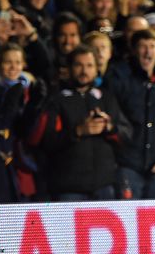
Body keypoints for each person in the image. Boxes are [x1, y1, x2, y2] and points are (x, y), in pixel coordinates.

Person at [36, 45, 131, 200]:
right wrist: (78, 131)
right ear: (69, 68)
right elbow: (47, 142)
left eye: (89, 65)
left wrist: (110, 128)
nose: (84, 71)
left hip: (104, 186)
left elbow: (126, 135)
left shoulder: (107, 98)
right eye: (78, 65)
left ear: (96, 69)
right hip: (68, 188)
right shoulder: (56, 100)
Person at [106, 29, 155, 199]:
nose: (148, 52)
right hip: (126, 166)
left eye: (152, 46)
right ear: (133, 50)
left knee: (154, 222)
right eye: (143, 46)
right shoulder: (119, 79)